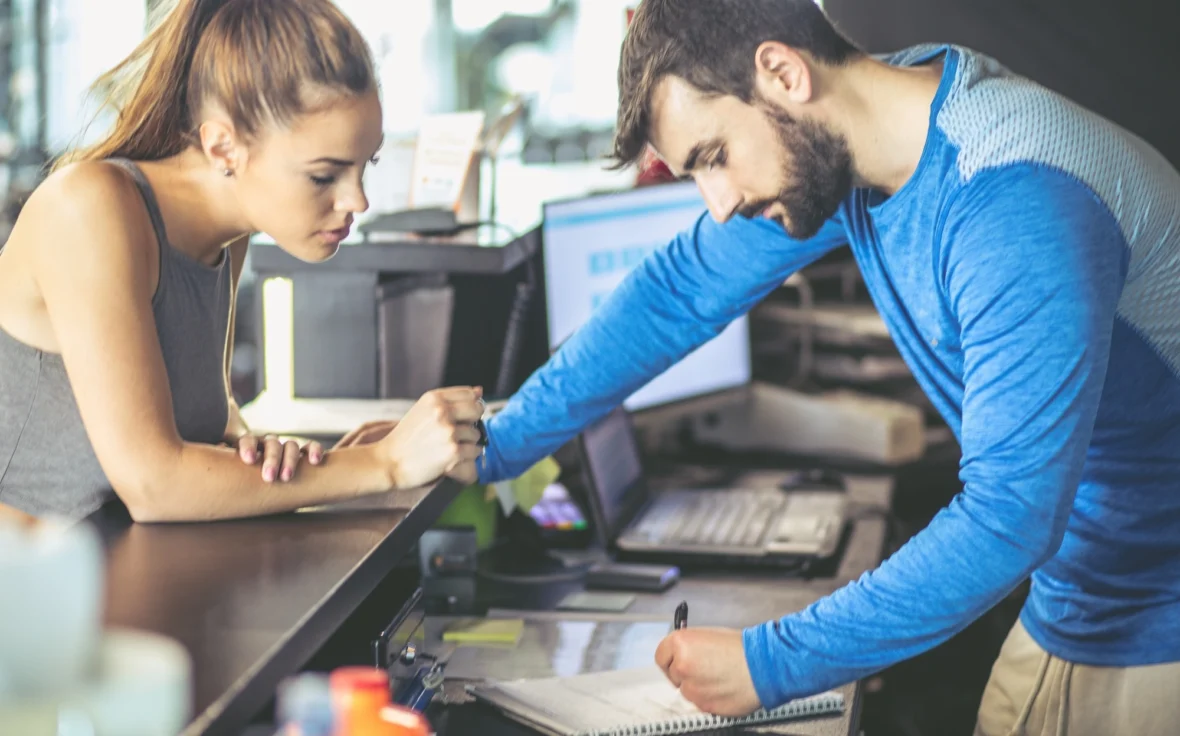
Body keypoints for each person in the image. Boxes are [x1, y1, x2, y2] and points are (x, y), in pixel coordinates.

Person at [475, 1, 1180, 734]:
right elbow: (678, 292)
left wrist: (767, 664)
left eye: (713, 156)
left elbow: (1009, 518)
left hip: (1161, 613)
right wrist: (493, 447)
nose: (717, 205)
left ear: (783, 72)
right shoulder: (863, 147)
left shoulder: (1012, 196)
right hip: (1082, 592)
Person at [0, 0, 484, 524]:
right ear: (223, 148)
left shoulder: (228, 235)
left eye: (366, 166)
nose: (357, 202)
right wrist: (382, 463)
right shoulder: (90, 209)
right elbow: (154, 484)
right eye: (325, 176)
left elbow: (206, 428)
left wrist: (279, 458)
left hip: (103, 575)